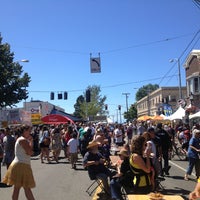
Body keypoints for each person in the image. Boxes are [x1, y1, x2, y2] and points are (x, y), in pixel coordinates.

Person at [2, 125, 35, 200]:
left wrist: (31, 141)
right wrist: (31, 142)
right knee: (25, 188)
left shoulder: (21, 139)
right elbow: (30, 152)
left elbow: (29, 151)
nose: (30, 132)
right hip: (21, 165)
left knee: (18, 188)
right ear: (24, 131)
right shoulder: (22, 140)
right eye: (29, 130)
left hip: (19, 164)